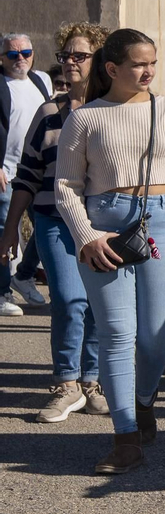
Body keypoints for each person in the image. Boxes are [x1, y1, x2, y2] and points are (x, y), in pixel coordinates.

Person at [54, 28, 165, 474]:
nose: (148, 71)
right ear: (112, 69)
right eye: (139, 64)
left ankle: (144, 400)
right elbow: (66, 186)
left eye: (153, 63)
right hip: (104, 224)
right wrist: (86, 236)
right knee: (118, 333)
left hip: (163, 221)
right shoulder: (85, 118)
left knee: (157, 335)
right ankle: (125, 438)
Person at [1, 23, 110, 421]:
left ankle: (91, 381)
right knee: (69, 298)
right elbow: (28, 174)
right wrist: (11, 228)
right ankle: (66, 382)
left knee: (99, 302)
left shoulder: (115, 111)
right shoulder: (48, 112)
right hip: (53, 219)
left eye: (79, 56)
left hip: (102, 222)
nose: (69, 63)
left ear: (101, 61)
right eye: (65, 55)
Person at [1, 31, 52, 314]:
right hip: (7, 172)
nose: (20, 59)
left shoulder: (41, 80)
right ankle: (2, 292)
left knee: (45, 225)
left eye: (26, 53)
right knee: (4, 232)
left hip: (36, 170)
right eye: (12, 54)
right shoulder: (1, 83)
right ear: (2, 57)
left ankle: (24, 274)